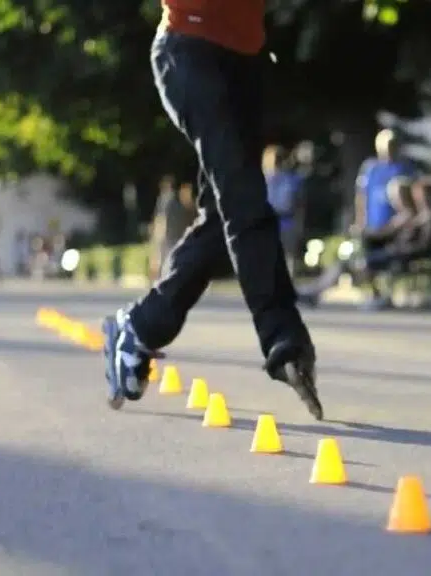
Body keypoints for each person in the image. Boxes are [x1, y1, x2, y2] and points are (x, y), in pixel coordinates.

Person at [101, 0, 322, 419]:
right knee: (243, 198)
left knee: (224, 218)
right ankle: (283, 336)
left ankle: (142, 325)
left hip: (248, 62)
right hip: (188, 49)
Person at [297, 176, 417, 307]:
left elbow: (386, 233)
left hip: (396, 254)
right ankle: (315, 290)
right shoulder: (400, 216)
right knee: (346, 261)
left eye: (396, 197)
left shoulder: (407, 216)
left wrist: (363, 232)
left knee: (354, 262)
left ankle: (315, 292)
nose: (393, 200)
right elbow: (384, 233)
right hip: (389, 252)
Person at [263, 145, 304, 273]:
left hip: (287, 222)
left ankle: (288, 280)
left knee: (289, 256)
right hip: (267, 222)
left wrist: (299, 224)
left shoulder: (292, 180)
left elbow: (299, 204)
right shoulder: (261, 180)